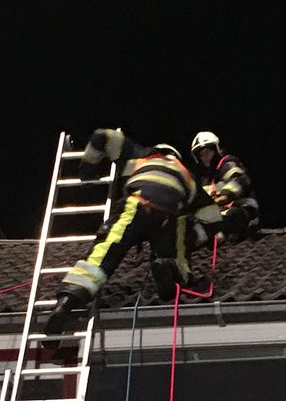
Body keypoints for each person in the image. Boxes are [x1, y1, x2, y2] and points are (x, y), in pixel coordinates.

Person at [44, 129, 214, 336]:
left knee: (103, 255)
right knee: (175, 251)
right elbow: (213, 214)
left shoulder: (139, 154)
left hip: (136, 206)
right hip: (169, 215)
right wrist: (195, 235)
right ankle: (168, 270)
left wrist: (87, 170)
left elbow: (101, 136)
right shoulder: (187, 175)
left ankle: (67, 301)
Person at [189, 130, 261, 242]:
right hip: (220, 221)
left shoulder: (227, 164)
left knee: (233, 216)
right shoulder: (203, 178)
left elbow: (240, 180)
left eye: (208, 152)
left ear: (216, 150)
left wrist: (223, 197)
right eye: (202, 155)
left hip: (244, 214)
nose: (205, 157)